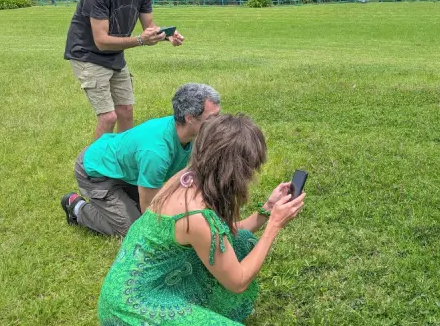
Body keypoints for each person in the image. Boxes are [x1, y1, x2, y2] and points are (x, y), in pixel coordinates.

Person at [97, 113, 306, 325]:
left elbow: (223, 236)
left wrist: (266, 210)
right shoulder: (197, 216)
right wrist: (274, 226)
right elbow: (238, 281)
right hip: (130, 307)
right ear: (235, 171)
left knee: (241, 242)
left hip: (146, 284)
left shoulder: (186, 178)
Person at [64, 0, 186, 141]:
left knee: (126, 112)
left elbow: (149, 25)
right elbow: (101, 41)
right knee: (108, 117)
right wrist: (140, 40)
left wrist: (167, 35)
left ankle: (122, 163)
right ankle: (93, 168)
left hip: (115, 56)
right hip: (87, 55)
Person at [60, 83, 220, 236]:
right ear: (190, 118)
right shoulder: (156, 152)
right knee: (134, 229)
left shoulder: (190, 135)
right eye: (213, 117)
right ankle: (77, 207)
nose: (219, 123)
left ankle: (119, 200)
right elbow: (149, 205)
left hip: (123, 172)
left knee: (166, 206)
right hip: (95, 172)